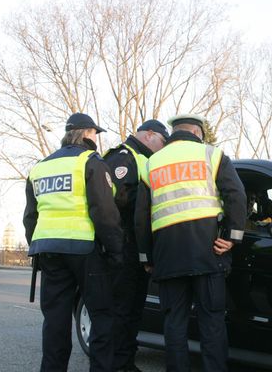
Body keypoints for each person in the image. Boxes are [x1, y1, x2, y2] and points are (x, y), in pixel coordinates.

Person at [134, 113, 246, 372]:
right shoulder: (212, 155)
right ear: (197, 133)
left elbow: (140, 218)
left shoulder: (152, 164)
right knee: (212, 323)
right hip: (207, 253)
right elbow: (236, 196)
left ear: (175, 133)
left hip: (167, 256)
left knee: (174, 324)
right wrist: (231, 237)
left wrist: (146, 257)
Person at [23, 112, 124, 372]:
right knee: (101, 315)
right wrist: (115, 251)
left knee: (55, 321)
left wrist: (37, 247)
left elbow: (30, 217)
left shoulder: (40, 167)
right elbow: (104, 212)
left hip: (48, 250)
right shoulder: (90, 161)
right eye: (95, 133)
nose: (96, 139)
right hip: (84, 249)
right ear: (86, 134)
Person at [103, 119, 169, 372]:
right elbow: (116, 200)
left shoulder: (143, 158)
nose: (163, 148)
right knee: (122, 309)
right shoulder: (124, 158)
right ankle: (119, 364)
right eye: (163, 141)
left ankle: (125, 360)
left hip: (135, 246)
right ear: (149, 134)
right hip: (122, 246)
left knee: (132, 309)